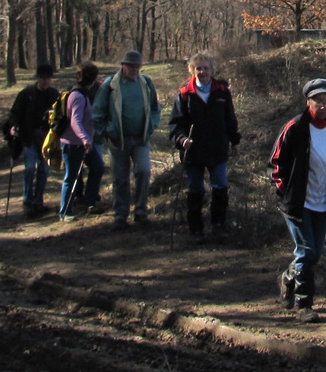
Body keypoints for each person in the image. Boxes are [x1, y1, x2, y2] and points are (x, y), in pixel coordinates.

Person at [269, 78, 326, 324]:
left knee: (315, 253)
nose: (323, 106)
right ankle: (304, 305)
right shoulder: (295, 127)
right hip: (298, 202)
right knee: (306, 251)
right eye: (318, 101)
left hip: (322, 200)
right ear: (308, 102)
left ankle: (288, 278)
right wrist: (285, 191)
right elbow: (276, 163)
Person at [168, 51, 241, 242]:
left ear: (212, 70)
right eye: (198, 68)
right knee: (195, 189)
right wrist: (182, 140)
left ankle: (218, 226)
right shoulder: (184, 94)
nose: (202, 72)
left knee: (220, 186)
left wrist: (235, 141)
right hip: (193, 151)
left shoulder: (222, 92)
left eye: (206, 68)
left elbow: (230, 119)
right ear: (192, 71)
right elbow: (175, 124)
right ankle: (196, 229)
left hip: (217, 148)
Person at [92, 49, 161, 229]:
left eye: (137, 66)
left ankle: (140, 211)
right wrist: (107, 131)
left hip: (141, 138)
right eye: (130, 66)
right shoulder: (110, 85)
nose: (134, 69)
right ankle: (120, 215)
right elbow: (97, 112)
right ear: (123, 65)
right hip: (118, 140)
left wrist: (152, 125)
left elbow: (155, 108)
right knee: (120, 178)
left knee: (144, 171)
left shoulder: (146, 83)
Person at [7, 63, 61, 218]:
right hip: (28, 135)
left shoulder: (54, 95)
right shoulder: (26, 94)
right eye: (43, 78)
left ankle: (38, 201)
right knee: (30, 167)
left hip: (47, 137)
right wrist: (14, 126)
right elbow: (14, 114)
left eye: (48, 78)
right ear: (37, 78)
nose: (45, 81)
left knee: (44, 169)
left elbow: (60, 115)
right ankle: (27, 200)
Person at [56, 62, 107, 221]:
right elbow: (75, 121)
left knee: (98, 168)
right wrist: (85, 139)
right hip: (73, 144)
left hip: (85, 143)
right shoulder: (77, 95)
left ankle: (89, 201)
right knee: (71, 177)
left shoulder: (84, 93)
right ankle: (65, 212)